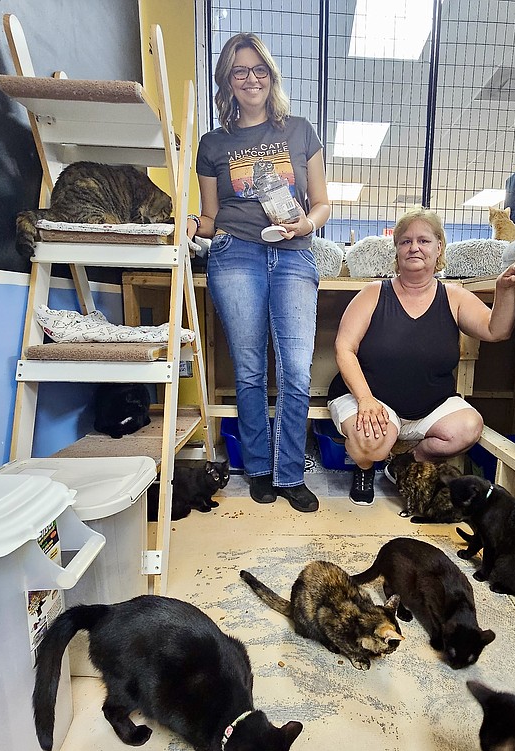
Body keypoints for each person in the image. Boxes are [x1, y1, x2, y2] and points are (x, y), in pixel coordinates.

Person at [190, 33, 330, 513]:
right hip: (234, 253)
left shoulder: (299, 130)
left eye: (259, 70)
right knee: (249, 371)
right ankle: (258, 469)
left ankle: (289, 473)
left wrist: (306, 224)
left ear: (271, 76)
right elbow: (210, 218)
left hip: (294, 254)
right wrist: (192, 223)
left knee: (295, 370)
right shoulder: (213, 144)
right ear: (227, 82)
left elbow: (322, 201)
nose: (251, 79)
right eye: (239, 71)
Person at [328, 207, 515, 505]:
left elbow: (496, 330)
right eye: (405, 241)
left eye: (423, 240)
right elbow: (344, 348)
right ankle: (365, 467)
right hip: (372, 397)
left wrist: (504, 289)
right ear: (397, 250)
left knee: (468, 428)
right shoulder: (373, 293)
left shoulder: (453, 296)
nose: (414, 247)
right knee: (371, 443)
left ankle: (404, 464)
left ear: (439, 246)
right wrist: (365, 400)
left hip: (430, 405)